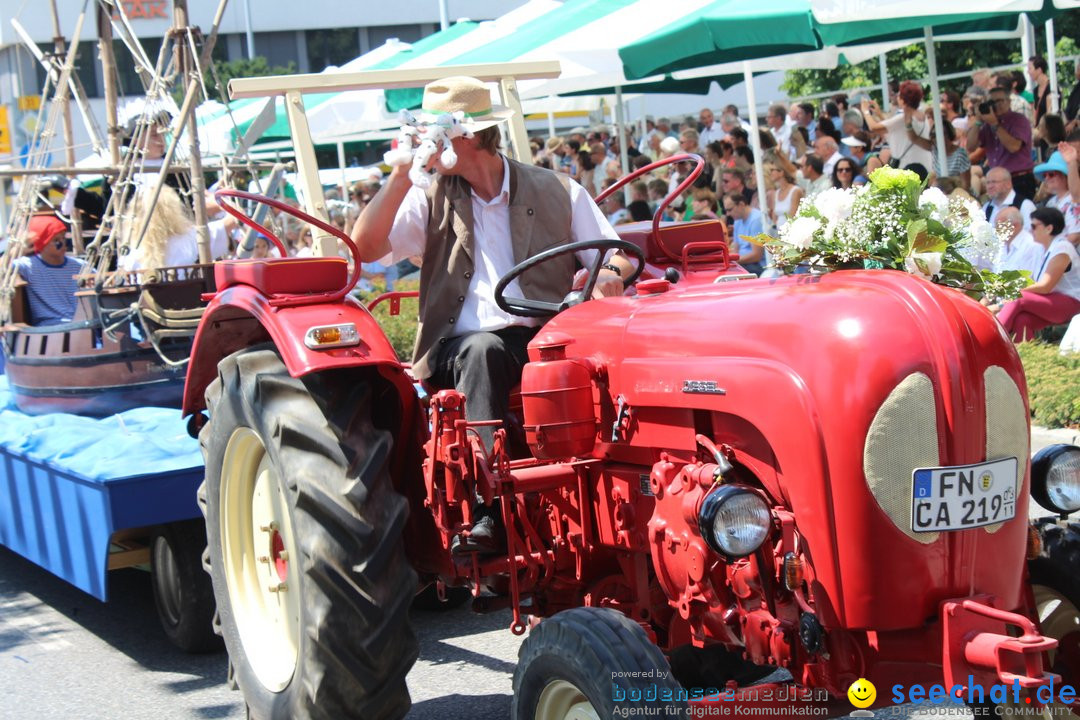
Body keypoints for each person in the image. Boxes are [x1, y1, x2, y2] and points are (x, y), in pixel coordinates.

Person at [351, 76, 629, 554]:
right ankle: (488, 506)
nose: (424, 145)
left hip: (545, 338)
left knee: (604, 355)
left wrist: (605, 275)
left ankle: (618, 492)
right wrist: (401, 174)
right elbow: (366, 248)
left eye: (431, 135)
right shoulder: (427, 193)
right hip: (461, 350)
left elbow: (615, 254)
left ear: (468, 137)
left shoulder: (556, 188)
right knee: (484, 348)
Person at [995, 207, 1080, 341]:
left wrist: (1012, 292)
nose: (1030, 230)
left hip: (1072, 302)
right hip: (1053, 300)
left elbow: (1045, 286)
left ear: (1049, 228)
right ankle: (1023, 357)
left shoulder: (1062, 248)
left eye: (1034, 226)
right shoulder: (1042, 248)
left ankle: (990, 339)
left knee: (1018, 297)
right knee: (1022, 320)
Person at [966, 85, 1036, 201]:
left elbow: (1014, 147)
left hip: (1019, 179)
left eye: (1000, 101)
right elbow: (971, 146)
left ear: (1008, 101)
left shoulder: (1019, 120)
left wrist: (995, 124)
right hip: (997, 181)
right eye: (991, 102)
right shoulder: (987, 124)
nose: (996, 105)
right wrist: (978, 121)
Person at [14, 215, 85, 326]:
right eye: (56, 240)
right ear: (41, 244)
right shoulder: (29, 265)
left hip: (82, 324)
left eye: (63, 238)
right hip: (49, 328)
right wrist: (17, 250)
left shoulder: (79, 266)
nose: (62, 243)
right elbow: (4, 267)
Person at [861, 82, 932, 172]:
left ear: (902, 100)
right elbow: (892, 128)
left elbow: (873, 127)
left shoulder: (904, 117)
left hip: (908, 166)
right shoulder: (922, 115)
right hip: (923, 165)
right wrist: (879, 114)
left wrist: (865, 111)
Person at [993, 206, 1043, 277]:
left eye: (1000, 226)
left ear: (1015, 226)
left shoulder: (1032, 245)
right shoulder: (1002, 244)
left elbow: (1028, 280)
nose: (996, 230)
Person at [723, 193, 765, 275]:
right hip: (745, 263)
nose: (727, 214)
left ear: (741, 204)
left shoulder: (756, 220)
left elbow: (756, 256)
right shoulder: (737, 220)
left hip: (758, 266)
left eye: (730, 210)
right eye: (726, 210)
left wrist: (731, 260)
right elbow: (736, 250)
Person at [766, 163, 803, 230]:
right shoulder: (776, 193)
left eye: (772, 170)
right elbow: (775, 217)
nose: (770, 173)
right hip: (779, 233)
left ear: (781, 172)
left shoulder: (795, 190)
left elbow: (793, 217)